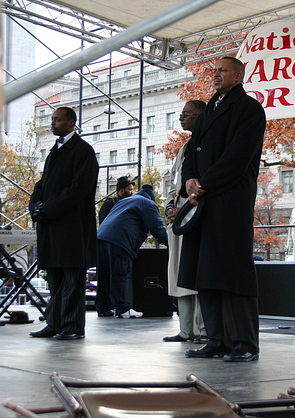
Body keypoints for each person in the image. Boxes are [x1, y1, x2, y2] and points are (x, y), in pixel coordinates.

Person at [180, 56, 266, 362]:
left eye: (223, 71)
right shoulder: (209, 109)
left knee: (233, 272)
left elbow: (237, 158)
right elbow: (192, 149)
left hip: (229, 201)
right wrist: (189, 178)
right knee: (206, 273)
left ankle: (243, 343)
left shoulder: (249, 109)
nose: (215, 75)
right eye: (214, 71)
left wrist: (202, 184)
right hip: (203, 200)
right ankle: (216, 340)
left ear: (239, 76)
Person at [29, 106, 98, 340]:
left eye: (58, 120)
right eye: (52, 120)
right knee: (55, 278)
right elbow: (42, 184)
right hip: (53, 226)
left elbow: (79, 189)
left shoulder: (83, 151)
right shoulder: (55, 151)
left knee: (71, 279)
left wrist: (47, 208)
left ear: (71, 122)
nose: (53, 123)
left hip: (71, 228)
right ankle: (54, 322)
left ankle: (71, 326)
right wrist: (35, 206)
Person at [163, 100, 208, 342]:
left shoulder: (207, 142)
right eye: (180, 114)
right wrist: (171, 207)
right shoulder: (184, 148)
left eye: (186, 114)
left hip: (196, 214)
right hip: (180, 216)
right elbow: (174, 183)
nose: (181, 118)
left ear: (201, 115)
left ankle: (202, 329)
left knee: (197, 273)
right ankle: (185, 329)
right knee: (179, 273)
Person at [96, 184, 168, 318]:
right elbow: (158, 228)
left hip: (101, 238)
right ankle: (122, 309)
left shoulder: (125, 201)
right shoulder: (148, 204)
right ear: (151, 198)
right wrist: (170, 244)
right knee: (120, 274)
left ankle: (103, 307)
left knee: (104, 274)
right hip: (121, 241)